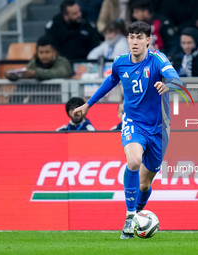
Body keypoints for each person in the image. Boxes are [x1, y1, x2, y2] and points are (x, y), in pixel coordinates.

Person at [72, 21, 181, 239]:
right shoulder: (120, 63)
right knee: (133, 162)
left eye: (140, 37)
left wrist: (168, 85)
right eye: (132, 37)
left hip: (159, 128)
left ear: (147, 40)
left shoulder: (158, 59)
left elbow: (177, 79)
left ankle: (138, 212)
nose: (135, 41)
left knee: (145, 182)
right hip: (133, 122)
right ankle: (130, 217)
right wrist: (87, 105)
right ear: (128, 39)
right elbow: (110, 82)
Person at [5, 36, 73, 81]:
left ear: (54, 52)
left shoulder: (63, 61)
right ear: (37, 52)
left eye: (47, 52)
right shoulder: (34, 62)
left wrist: (36, 73)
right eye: (41, 52)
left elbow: (62, 73)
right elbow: (26, 72)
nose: (44, 55)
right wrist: (11, 75)